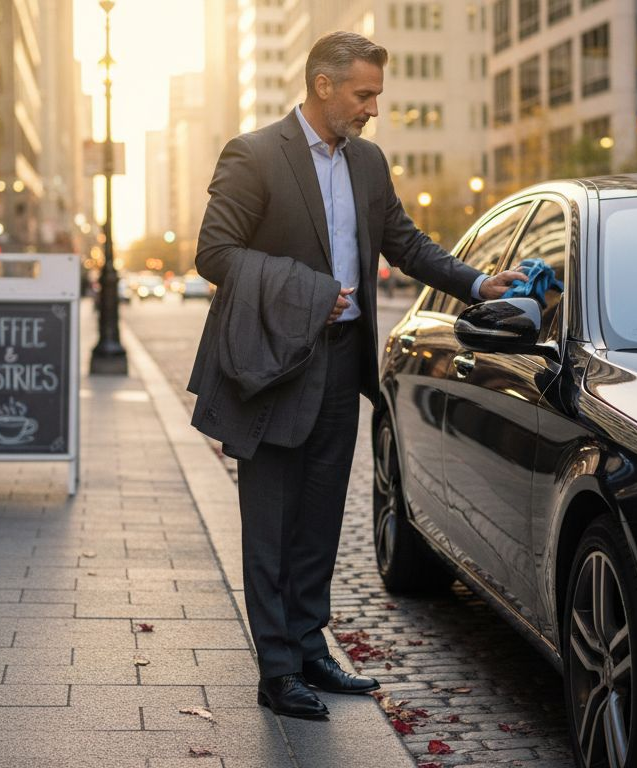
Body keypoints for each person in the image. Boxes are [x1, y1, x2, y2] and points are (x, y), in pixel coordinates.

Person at [190, 30, 528, 719]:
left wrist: (476, 283)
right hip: (276, 365)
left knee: (321, 517)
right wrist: (307, 294)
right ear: (323, 85)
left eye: (376, 94)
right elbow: (214, 252)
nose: (373, 108)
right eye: (363, 94)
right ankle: (277, 670)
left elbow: (404, 242)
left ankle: (310, 647)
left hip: (344, 363)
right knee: (271, 521)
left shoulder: (368, 162)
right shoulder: (254, 155)